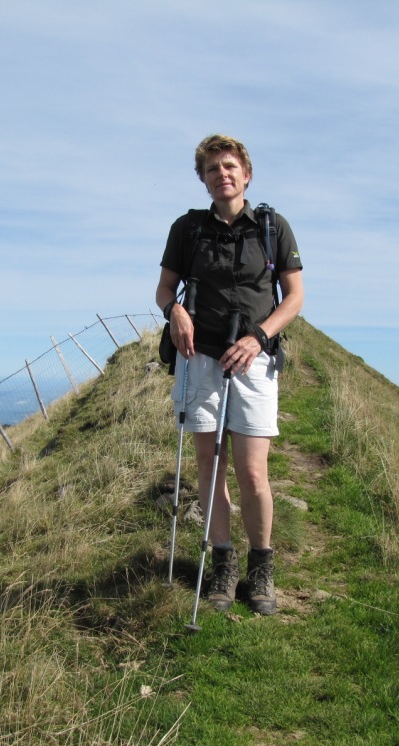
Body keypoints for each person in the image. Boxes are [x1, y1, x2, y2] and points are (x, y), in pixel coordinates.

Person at [155, 134, 304, 615]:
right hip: (199, 357)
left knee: (253, 470)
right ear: (203, 180)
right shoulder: (187, 229)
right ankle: (222, 562)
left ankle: (261, 566)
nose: (222, 174)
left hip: (253, 360)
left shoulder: (272, 228)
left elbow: (295, 297)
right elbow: (164, 289)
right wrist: (175, 312)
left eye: (230, 166)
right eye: (212, 169)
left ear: (247, 175)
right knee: (209, 465)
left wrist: (259, 337)